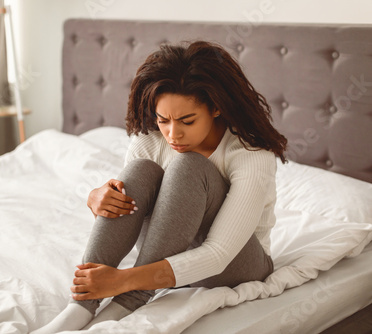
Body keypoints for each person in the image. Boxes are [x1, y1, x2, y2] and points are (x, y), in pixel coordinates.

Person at [34, 40, 287, 333]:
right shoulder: (150, 140)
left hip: (235, 266)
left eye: (187, 121)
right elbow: (129, 218)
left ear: (216, 107)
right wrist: (97, 200)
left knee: (187, 165)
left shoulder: (249, 155)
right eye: (163, 119)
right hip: (168, 254)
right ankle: (80, 307)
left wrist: (124, 280)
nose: (172, 133)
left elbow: (219, 253)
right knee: (140, 170)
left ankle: (129, 300)